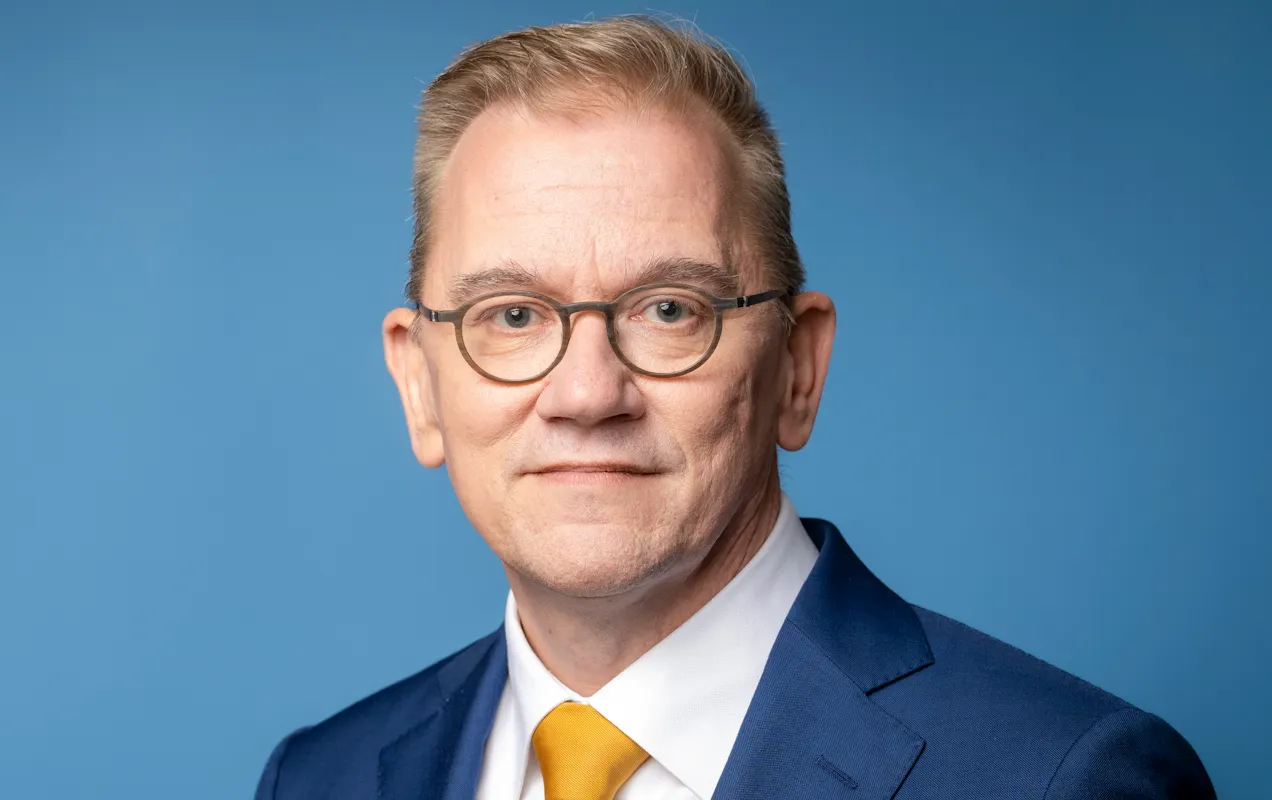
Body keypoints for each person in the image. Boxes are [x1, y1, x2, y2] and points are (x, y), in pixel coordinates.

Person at [254, 15, 1213, 800]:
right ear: (420, 385)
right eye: (511, 315)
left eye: (671, 309)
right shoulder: (321, 780)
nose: (587, 393)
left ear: (797, 367)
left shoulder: (1062, 779)